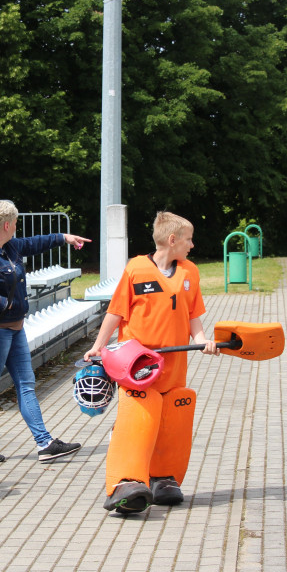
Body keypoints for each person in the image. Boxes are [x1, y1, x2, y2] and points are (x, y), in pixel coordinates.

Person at [84, 211, 219, 514]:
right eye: (188, 240)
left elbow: (193, 316)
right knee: (138, 419)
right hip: (138, 366)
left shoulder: (190, 273)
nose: (192, 245)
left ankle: (163, 478)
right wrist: (98, 347)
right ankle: (125, 482)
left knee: (171, 421)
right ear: (172, 240)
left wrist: (202, 340)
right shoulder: (136, 269)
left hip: (175, 366)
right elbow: (115, 312)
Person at [0, 199, 92, 463]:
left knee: (26, 384)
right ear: (7, 224)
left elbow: (35, 243)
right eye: (15, 222)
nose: (17, 227)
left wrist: (64, 237)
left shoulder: (9, 246)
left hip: (15, 329)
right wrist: (7, 304)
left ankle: (44, 443)